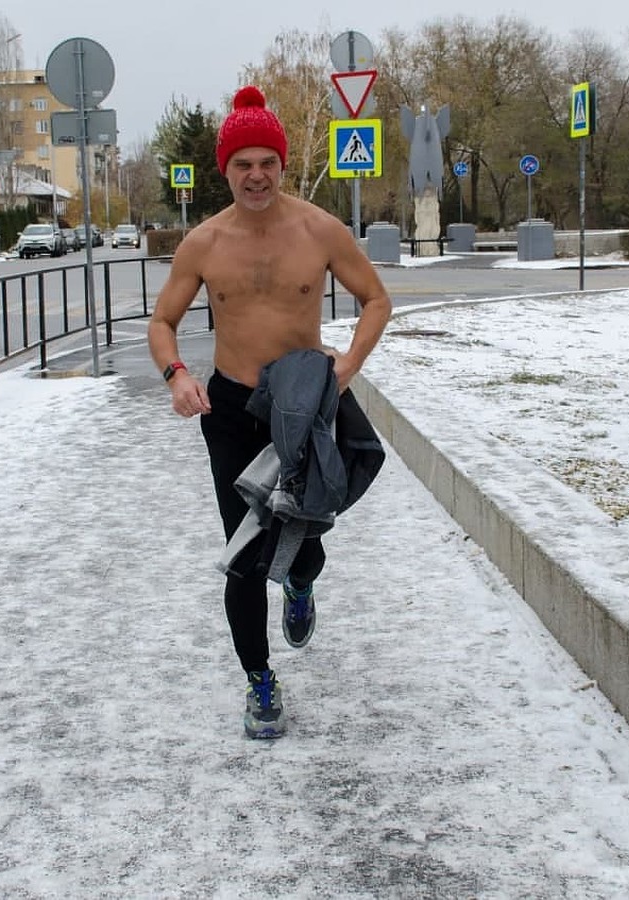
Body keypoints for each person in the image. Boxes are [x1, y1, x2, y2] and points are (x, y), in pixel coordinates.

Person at [147, 85, 392, 739]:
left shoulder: (319, 230)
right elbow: (163, 321)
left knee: (304, 540)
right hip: (230, 409)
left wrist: (345, 370)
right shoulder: (203, 242)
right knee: (244, 554)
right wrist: (175, 375)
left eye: (266, 163)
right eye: (241, 164)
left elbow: (376, 301)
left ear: (281, 165)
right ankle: (259, 682)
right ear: (224, 170)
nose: (255, 175)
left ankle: (302, 583)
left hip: (304, 407)